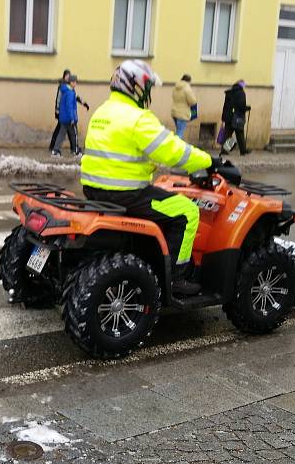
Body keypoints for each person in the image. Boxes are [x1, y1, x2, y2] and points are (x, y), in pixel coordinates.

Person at [80, 60, 214, 294]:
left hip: (94, 190)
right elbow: (172, 150)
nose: (148, 93)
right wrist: (209, 161)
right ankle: (176, 277)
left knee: (166, 204)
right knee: (187, 211)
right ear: (135, 87)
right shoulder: (137, 118)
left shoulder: (102, 112)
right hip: (126, 194)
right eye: (147, 88)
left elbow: (122, 152)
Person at [50, 69, 90, 152]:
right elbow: (62, 101)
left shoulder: (69, 89)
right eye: (67, 77)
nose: (75, 83)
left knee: (63, 133)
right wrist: (57, 111)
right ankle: (74, 149)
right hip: (67, 115)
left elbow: (76, 97)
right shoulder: (66, 90)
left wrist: (83, 103)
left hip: (64, 115)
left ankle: (56, 149)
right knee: (71, 133)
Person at [220, 80, 251, 156]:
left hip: (228, 116)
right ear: (242, 85)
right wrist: (247, 108)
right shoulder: (241, 93)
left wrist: (223, 117)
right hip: (237, 116)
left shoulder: (229, 92)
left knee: (228, 134)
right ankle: (243, 151)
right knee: (240, 134)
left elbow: (225, 106)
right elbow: (241, 105)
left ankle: (225, 150)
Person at [51, 74, 80, 156]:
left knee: (61, 134)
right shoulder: (70, 93)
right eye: (75, 82)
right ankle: (76, 151)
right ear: (71, 82)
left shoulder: (65, 90)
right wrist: (72, 118)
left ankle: (55, 151)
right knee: (74, 134)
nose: (76, 84)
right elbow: (69, 106)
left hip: (63, 118)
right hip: (69, 118)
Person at [171, 74, 197, 138]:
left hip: (174, 112)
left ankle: (177, 145)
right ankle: (176, 147)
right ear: (188, 81)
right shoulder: (187, 89)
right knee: (180, 133)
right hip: (182, 114)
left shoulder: (175, 88)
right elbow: (193, 101)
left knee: (178, 130)